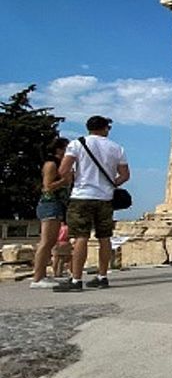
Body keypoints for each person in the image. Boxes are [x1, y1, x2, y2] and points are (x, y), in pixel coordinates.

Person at [54, 116, 130, 291]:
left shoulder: (77, 144)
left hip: (82, 196)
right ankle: (102, 277)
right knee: (105, 238)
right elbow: (125, 175)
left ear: (88, 128)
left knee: (81, 237)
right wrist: (111, 185)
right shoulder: (117, 148)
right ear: (105, 129)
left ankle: (76, 280)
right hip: (105, 198)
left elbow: (63, 170)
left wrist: (73, 180)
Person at [30, 138, 71, 288]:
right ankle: (37, 278)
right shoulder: (51, 164)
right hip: (49, 204)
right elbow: (47, 187)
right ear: (59, 150)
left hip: (57, 205)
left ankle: (42, 276)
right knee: (46, 242)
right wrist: (64, 181)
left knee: (51, 242)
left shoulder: (60, 165)